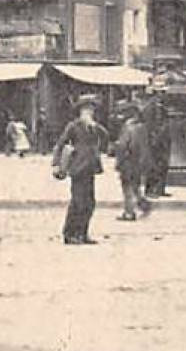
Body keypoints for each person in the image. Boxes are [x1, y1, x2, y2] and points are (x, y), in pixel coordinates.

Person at [51, 95, 108, 244]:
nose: (90, 112)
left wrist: (95, 126)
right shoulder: (73, 126)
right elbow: (60, 144)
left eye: (92, 109)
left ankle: (83, 233)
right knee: (78, 201)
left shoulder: (94, 127)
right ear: (81, 110)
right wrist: (56, 164)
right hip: (78, 167)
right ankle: (70, 234)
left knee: (90, 202)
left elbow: (106, 137)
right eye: (87, 109)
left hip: (90, 167)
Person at [113, 102, 153, 221]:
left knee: (127, 188)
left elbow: (123, 145)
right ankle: (143, 204)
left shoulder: (128, 127)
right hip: (139, 161)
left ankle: (129, 212)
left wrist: (118, 160)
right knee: (135, 186)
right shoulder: (142, 127)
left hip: (128, 161)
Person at [141, 96, 172, 197]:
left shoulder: (163, 109)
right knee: (152, 166)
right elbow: (147, 125)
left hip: (162, 141)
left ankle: (160, 189)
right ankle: (150, 190)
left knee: (163, 166)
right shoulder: (148, 109)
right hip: (153, 141)